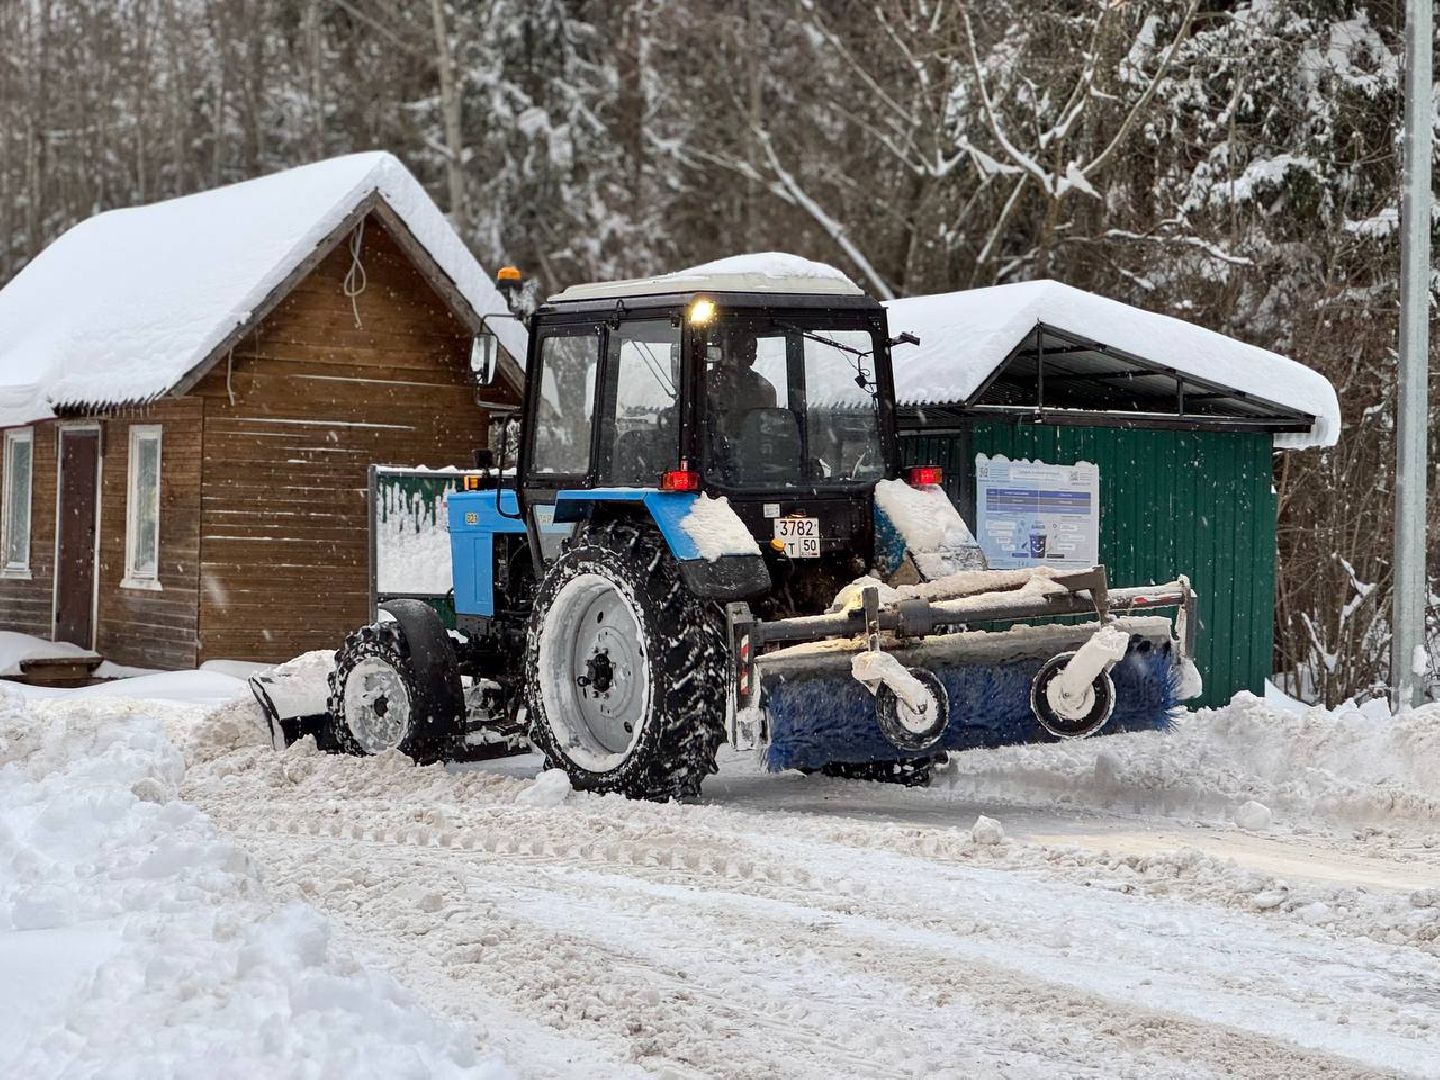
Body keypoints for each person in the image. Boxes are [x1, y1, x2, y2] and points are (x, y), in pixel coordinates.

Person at [705, 329, 777, 411]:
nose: (735, 359)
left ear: (753, 358)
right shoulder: (705, 382)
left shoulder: (764, 389)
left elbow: (766, 419)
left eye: (744, 354)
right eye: (732, 351)